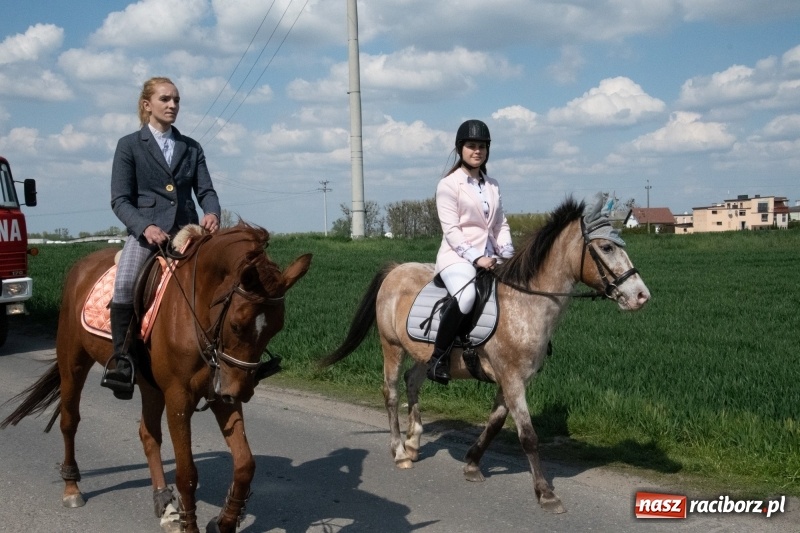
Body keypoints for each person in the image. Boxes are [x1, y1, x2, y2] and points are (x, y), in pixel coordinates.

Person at [101, 77, 221, 399]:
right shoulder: (129, 146)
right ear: (146, 105)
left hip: (187, 232)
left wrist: (212, 213)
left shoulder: (192, 147)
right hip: (147, 236)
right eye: (166, 99)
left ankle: (223, 355)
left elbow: (206, 191)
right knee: (125, 283)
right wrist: (144, 227)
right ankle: (121, 360)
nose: (173, 106)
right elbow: (120, 200)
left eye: (177, 100)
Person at [428, 119, 514, 385]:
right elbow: (452, 230)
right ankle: (438, 358)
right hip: (457, 257)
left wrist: (508, 253)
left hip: (491, 257)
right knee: (466, 297)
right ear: (460, 149)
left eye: (482, 146)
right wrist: (477, 258)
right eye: (471, 146)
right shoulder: (448, 185)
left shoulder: (493, 184)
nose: (477, 151)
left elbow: (500, 224)